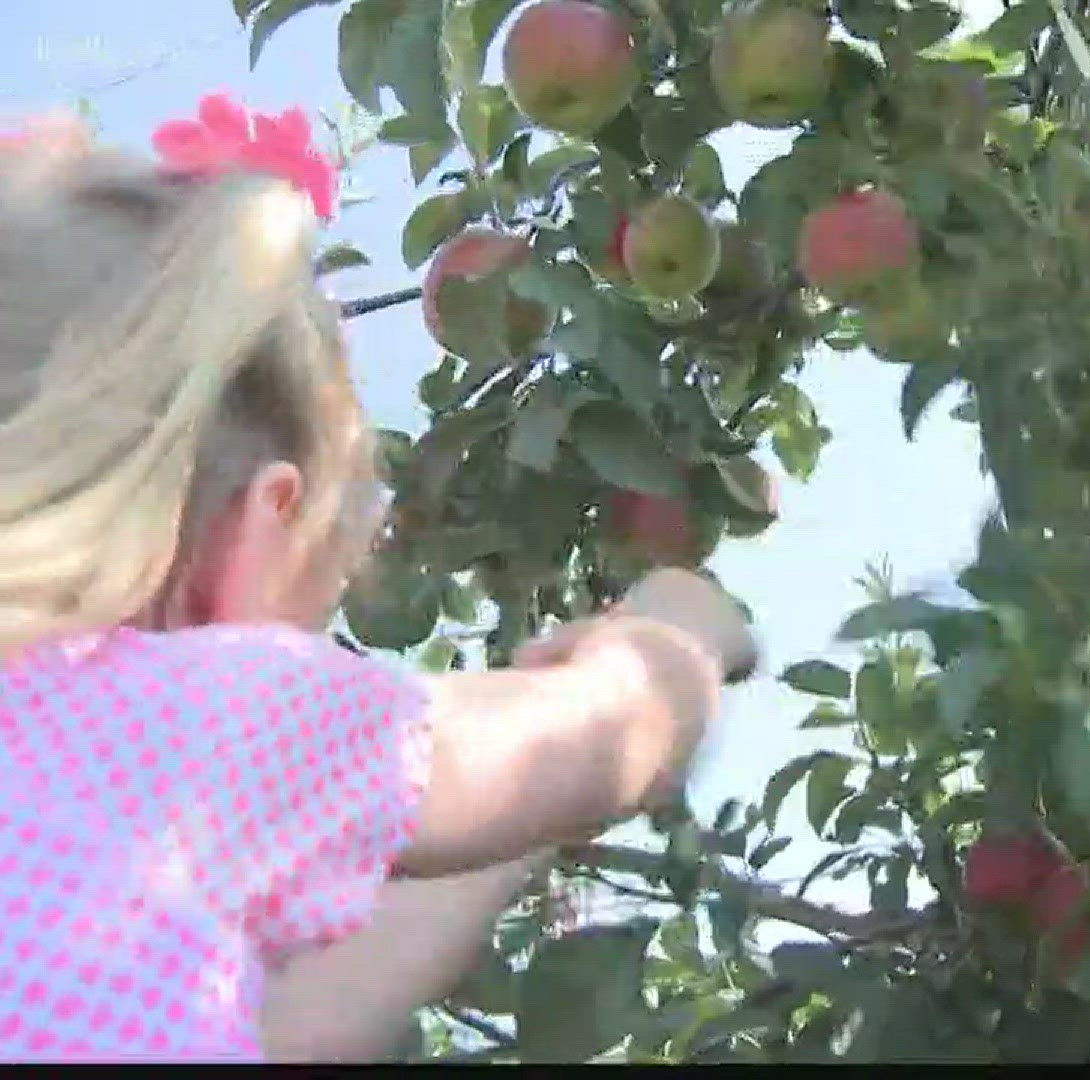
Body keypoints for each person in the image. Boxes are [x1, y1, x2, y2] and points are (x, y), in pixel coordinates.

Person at [0, 97, 757, 1061]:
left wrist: (510, 836)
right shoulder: (198, 716)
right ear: (254, 535)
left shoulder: (99, 829)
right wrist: (678, 632)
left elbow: (294, 1019)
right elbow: (611, 729)